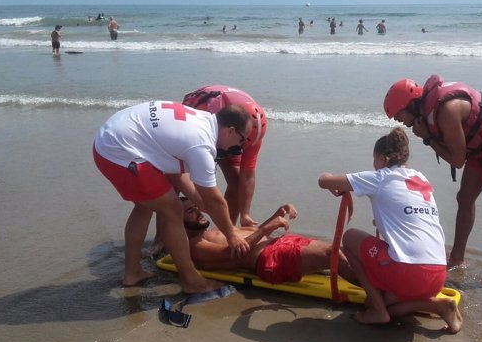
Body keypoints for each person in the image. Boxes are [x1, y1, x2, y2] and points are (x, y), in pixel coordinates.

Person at [93, 101, 253, 293]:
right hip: (119, 151)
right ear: (230, 131)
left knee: (145, 205)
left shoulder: (201, 120)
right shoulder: (202, 144)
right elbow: (214, 199)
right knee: (172, 210)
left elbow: (176, 174)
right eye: (242, 140)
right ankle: (191, 281)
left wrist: (199, 200)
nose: (240, 148)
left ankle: (132, 272)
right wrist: (231, 234)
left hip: (110, 138)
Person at [383, 75, 482, 285]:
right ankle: (457, 257)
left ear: (411, 104)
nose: (399, 121)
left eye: (399, 115)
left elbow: (457, 161)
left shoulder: (447, 112)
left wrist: (428, 138)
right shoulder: (430, 111)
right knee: (465, 198)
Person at [318, 128, 462, 331]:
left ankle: (378, 310)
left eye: (374, 159)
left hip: (408, 272)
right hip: (437, 274)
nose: (373, 164)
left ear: (383, 159)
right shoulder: (421, 178)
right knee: (384, 306)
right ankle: (438, 305)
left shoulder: (380, 177)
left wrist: (327, 175)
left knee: (350, 237)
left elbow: (324, 181)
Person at [182, 198, 355, 284]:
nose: (198, 212)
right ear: (178, 221)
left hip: (279, 244)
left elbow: (255, 234)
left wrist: (279, 213)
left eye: (196, 207)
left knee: (344, 251)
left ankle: (377, 286)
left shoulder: (216, 230)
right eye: (190, 210)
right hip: (270, 258)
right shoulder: (195, 245)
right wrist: (267, 229)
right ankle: (378, 295)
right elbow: (231, 254)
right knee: (334, 256)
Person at [182, 85, 268, 227]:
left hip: (231, 132)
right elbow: (180, 175)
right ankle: (162, 237)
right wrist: (198, 199)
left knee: (236, 183)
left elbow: (247, 176)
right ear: (232, 131)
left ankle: (228, 230)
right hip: (200, 123)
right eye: (240, 144)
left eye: (243, 147)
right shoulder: (205, 122)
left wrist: (245, 213)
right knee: (174, 187)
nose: (238, 150)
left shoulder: (254, 137)